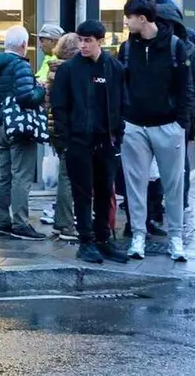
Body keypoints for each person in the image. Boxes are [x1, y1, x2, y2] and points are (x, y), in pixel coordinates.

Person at [118, 0, 192, 262]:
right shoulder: (126, 48)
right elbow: (122, 85)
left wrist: (180, 122)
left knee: (173, 185)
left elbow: (185, 87)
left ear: (143, 18)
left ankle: (176, 238)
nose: (126, 21)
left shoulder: (175, 47)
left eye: (129, 16)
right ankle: (138, 235)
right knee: (135, 185)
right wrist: (123, 118)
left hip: (168, 124)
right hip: (134, 125)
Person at [52, 20, 130, 264]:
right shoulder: (69, 70)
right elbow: (59, 106)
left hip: (106, 140)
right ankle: (85, 241)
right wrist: (65, 140)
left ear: (100, 41)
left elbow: (121, 102)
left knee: (106, 191)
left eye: (88, 41)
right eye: (80, 40)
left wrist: (118, 134)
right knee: (82, 192)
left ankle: (103, 239)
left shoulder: (114, 68)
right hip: (78, 141)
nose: (83, 45)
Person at [0, 25, 48, 240]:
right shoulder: (20, 65)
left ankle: (2, 221)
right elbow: (26, 97)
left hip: (0, 123)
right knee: (21, 175)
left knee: (4, 175)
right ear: (24, 45)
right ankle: (20, 223)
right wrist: (41, 89)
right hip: (20, 127)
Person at [154, 0, 195, 210]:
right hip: (155, 114)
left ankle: (179, 201)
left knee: (178, 162)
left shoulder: (187, 44)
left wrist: (188, 106)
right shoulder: (144, 45)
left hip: (178, 114)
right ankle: (157, 204)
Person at [40, 32, 78, 241]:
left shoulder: (52, 69)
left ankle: (59, 222)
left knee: (66, 173)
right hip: (66, 128)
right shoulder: (69, 71)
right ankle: (65, 223)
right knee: (67, 176)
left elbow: (47, 101)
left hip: (54, 127)